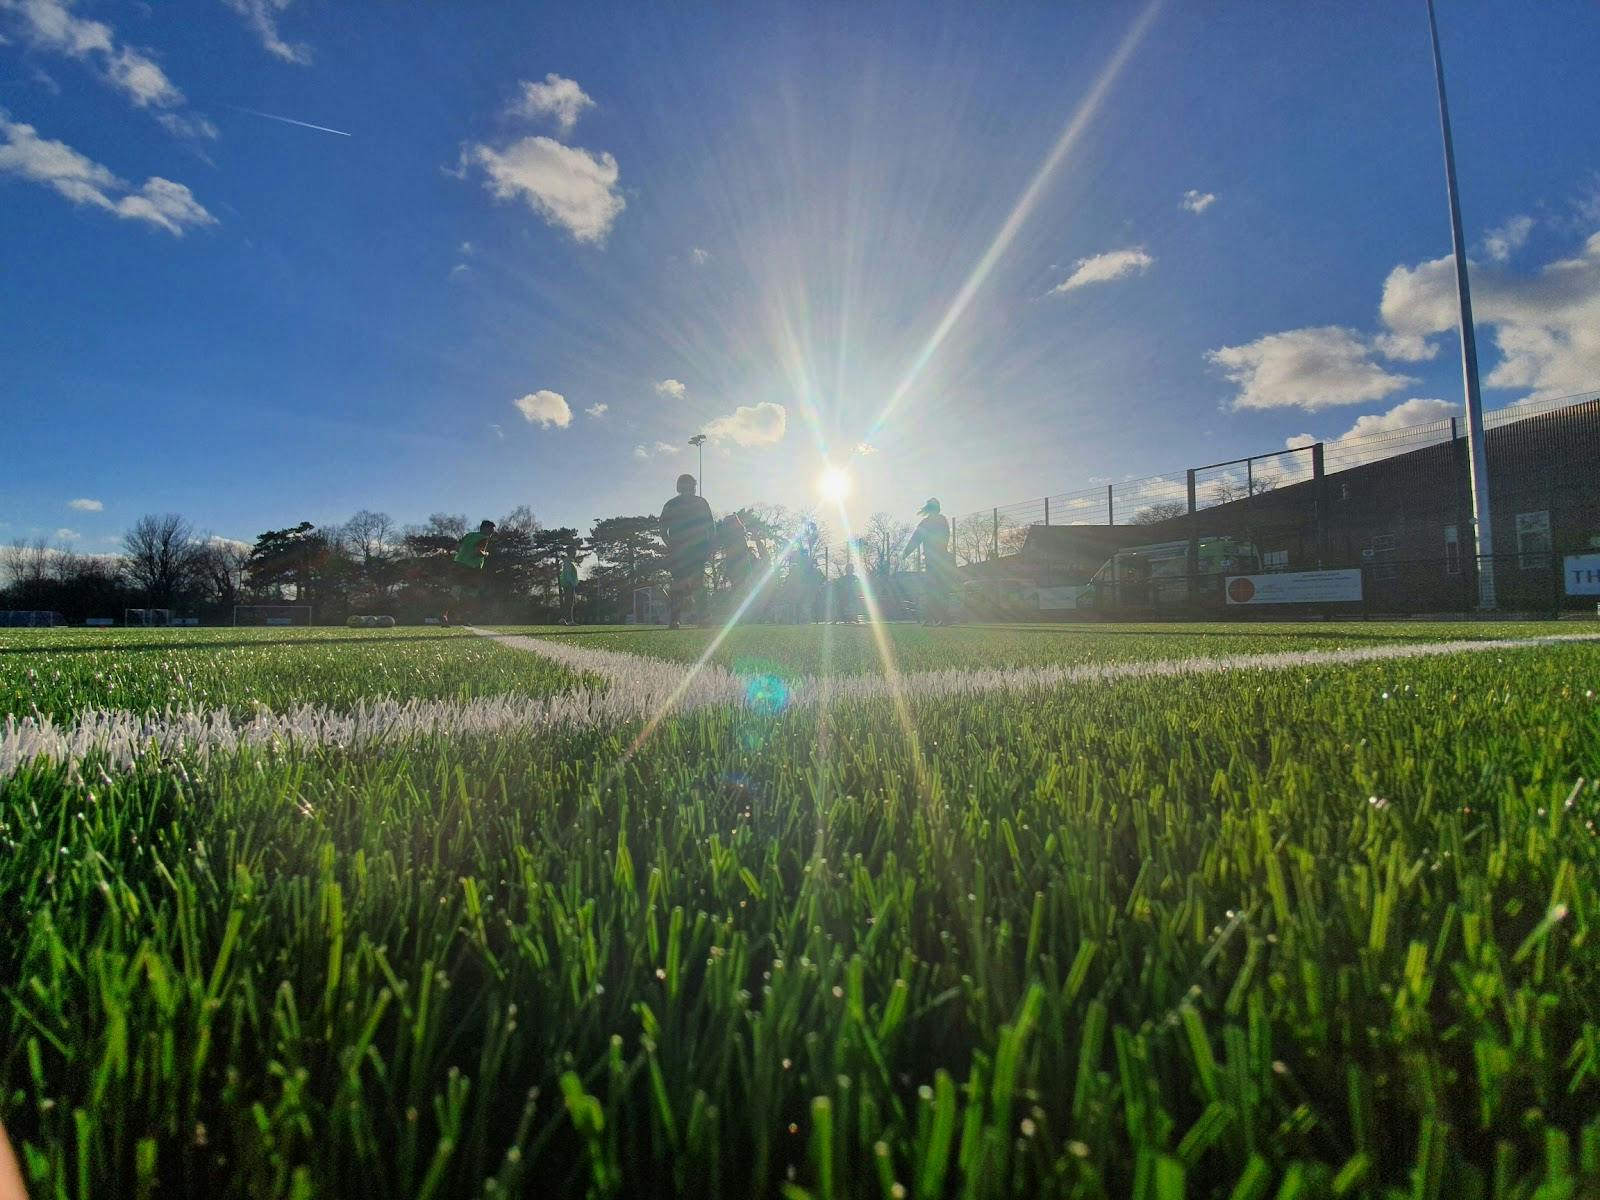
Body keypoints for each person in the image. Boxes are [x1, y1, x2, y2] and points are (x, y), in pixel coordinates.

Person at [660, 474, 714, 629]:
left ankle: (675, 620)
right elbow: (711, 527)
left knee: (678, 585)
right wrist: (709, 547)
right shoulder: (701, 502)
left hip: (679, 551)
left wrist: (670, 544)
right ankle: (703, 619)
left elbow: (662, 529)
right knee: (698, 585)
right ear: (693, 486)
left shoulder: (671, 504)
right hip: (697, 550)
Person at [901, 498, 957, 625]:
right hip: (936, 559)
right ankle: (937, 617)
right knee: (937, 588)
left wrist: (906, 552)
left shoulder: (928, 522)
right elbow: (917, 538)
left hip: (936, 559)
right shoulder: (937, 521)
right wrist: (907, 551)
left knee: (935, 588)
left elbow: (916, 538)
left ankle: (938, 617)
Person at [558, 550, 579, 625]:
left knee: (569, 602)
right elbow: (568, 574)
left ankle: (564, 619)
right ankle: (568, 620)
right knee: (569, 602)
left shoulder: (568, 562)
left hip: (568, 584)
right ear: (571, 553)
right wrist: (572, 583)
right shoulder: (567, 562)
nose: (575, 554)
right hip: (569, 584)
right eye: (574, 552)